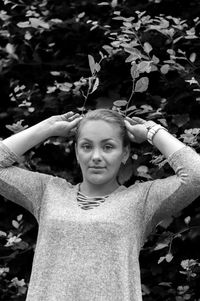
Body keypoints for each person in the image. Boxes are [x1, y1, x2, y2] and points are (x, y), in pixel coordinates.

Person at [0, 108, 200, 301]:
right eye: (86, 146)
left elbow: (195, 176)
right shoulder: (47, 192)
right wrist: (47, 128)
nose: (96, 157)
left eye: (108, 147)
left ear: (124, 154)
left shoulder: (141, 200)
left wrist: (152, 132)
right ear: (77, 152)